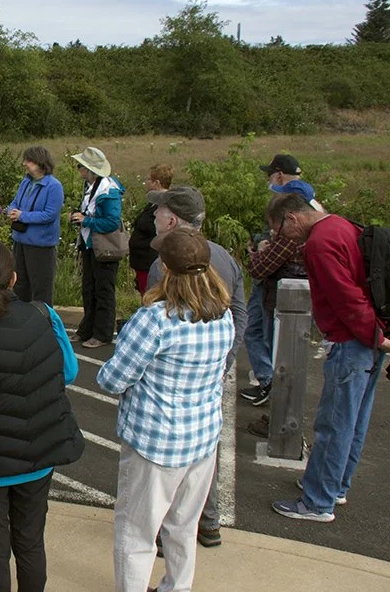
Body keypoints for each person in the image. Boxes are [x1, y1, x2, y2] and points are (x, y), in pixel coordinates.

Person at [96, 226, 234, 592]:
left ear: (166, 270)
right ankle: (177, 586)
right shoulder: (223, 315)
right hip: (202, 439)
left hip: (155, 444)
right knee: (183, 526)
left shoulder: (155, 320)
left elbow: (112, 380)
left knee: (136, 532)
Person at [0, 239, 84, 592]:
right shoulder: (43, 314)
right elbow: (67, 371)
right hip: (39, 457)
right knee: (31, 543)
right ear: (14, 278)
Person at [264, 194, 390, 523]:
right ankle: (335, 485)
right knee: (354, 421)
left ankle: (317, 501)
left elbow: (345, 296)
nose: (285, 238)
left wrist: (372, 334)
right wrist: (380, 334)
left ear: (292, 218)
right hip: (368, 339)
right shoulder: (342, 226)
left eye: (281, 230)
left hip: (350, 340)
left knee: (333, 424)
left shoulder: (319, 244)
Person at [143, 186, 248, 549]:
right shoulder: (224, 257)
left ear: (171, 220)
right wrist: (224, 359)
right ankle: (209, 523)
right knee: (205, 452)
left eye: (158, 212)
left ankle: (158, 532)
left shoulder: (164, 263)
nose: (154, 217)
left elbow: (158, 316)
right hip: (211, 373)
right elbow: (240, 314)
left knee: (166, 459)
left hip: (170, 380)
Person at [240, 155, 321, 405]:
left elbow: (260, 268)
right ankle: (270, 384)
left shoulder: (289, 233)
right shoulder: (314, 213)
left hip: (278, 294)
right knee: (268, 339)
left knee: (272, 342)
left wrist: (257, 252)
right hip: (283, 292)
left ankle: (272, 387)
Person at [69, 147, 123, 349]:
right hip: (91, 246)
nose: (79, 170)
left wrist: (86, 221)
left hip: (105, 249)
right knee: (89, 288)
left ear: (90, 169)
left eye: (81, 166)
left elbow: (111, 222)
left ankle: (102, 333)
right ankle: (87, 329)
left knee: (103, 291)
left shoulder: (108, 191)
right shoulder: (91, 186)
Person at [6, 146, 64, 306]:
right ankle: (22, 321)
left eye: (29, 160)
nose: (24, 163)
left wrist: (22, 216)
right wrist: (11, 211)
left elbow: (50, 214)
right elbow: (16, 201)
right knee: (20, 285)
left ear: (40, 162)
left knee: (41, 289)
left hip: (41, 245)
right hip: (21, 241)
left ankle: (43, 324)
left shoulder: (54, 186)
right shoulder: (26, 182)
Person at [129, 165, 173, 295]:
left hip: (150, 261)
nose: (145, 182)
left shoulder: (164, 205)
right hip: (142, 261)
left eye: (148, 179)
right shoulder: (153, 204)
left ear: (157, 183)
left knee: (151, 296)